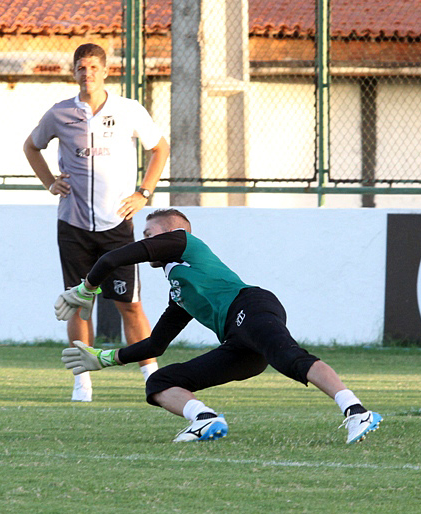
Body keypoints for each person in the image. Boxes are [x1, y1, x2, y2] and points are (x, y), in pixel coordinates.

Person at [55, 208, 383, 444]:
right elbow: (155, 346)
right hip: (238, 342)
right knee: (159, 382)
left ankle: (356, 411)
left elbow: (112, 259)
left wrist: (87, 288)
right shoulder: (179, 289)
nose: (144, 240)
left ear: (172, 233)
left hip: (251, 306)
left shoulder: (184, 244)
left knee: (289, 358)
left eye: (149, 234)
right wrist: (102, 358)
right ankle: (204, 419)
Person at [23, 43, 170, 401]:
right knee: (78, 303)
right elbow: (31, 146)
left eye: (92, 67)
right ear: (73, 72)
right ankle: (82, 382)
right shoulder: (60, 114)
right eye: (80, 68)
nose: (86, 73)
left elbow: (159, 148)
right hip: (73, 225)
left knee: (130, 305)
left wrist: (144, 193)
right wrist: (49, 182)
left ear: (106, 71)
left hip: (116, 226)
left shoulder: (128, 110)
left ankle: (153, 378)